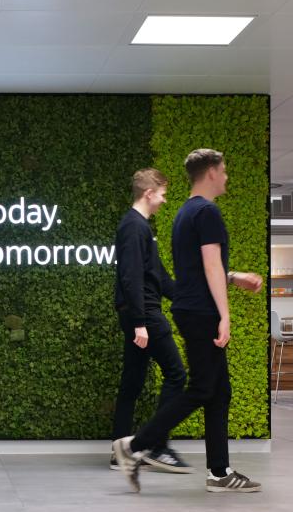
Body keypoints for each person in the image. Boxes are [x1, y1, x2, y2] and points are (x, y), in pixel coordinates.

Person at [113, 148, 263, 493]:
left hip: (188, 306)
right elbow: (209, 266)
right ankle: (134, 446)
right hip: (201, 312)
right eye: (223, 171)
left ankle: (220, 471)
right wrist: (225, 314)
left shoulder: (184, 214)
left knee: (218, 390)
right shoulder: (207, 212)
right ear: (210, 172)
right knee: (200, 387)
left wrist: (234, 276)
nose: (226, 178)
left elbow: (194, 272)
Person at [111, 168, 191, 473]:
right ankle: (156, 445)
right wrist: (141, 322)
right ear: (149, 193)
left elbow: (159, 278)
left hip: (139, 313)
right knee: (176, 374)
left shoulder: (140, 227)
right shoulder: (133, 227)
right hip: (143, 314)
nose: (164, 200)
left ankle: (122, 451)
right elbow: (130, 277)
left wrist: (188, 297)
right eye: (162, 194)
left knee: (131, 382)